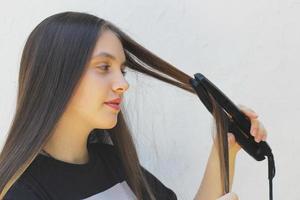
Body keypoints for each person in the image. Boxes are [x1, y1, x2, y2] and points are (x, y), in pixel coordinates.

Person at [0, 11, 268, 200]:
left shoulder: (113, 162)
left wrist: (227, 145)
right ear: (56, 75)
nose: (122, 84)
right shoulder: (21, 191)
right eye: (104, 67)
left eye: (123, 71)